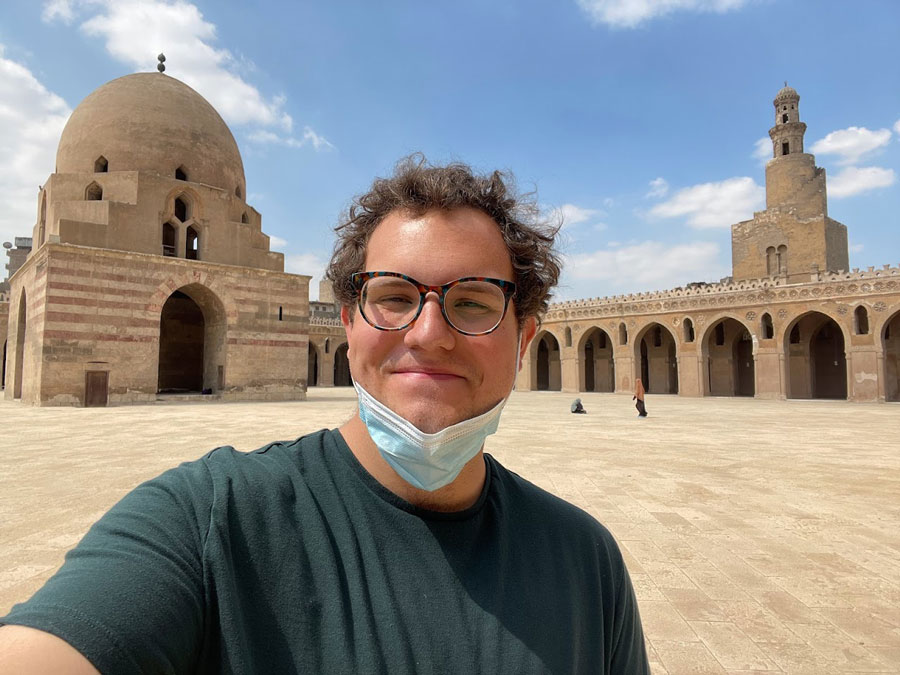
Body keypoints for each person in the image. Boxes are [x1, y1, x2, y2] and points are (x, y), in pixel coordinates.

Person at [0, 156, 650, 674]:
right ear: (348, 322)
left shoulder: (585, 563)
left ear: (526, 338)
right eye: (393, 296)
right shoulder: (207, 523)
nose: (428, 332)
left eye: (474, 302)